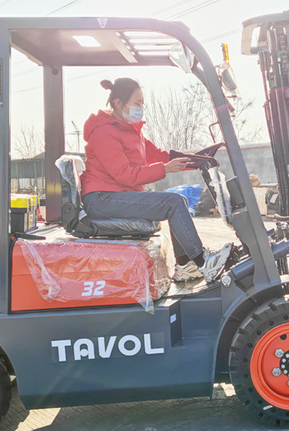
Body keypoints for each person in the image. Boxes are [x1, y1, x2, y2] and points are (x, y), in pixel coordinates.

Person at [80, 77, 232, 283]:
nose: (141, 108)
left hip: (117, 196)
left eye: (142, 104)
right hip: (102, 199)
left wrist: (197, 160)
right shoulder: (104, 132)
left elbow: (160, 155)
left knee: (179, 201)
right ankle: (203, 262)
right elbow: (124, 174)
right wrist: (164, 169)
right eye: (136, 104)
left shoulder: (131, 132)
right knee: (173, 202)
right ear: (117, 103)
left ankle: (186, 265)